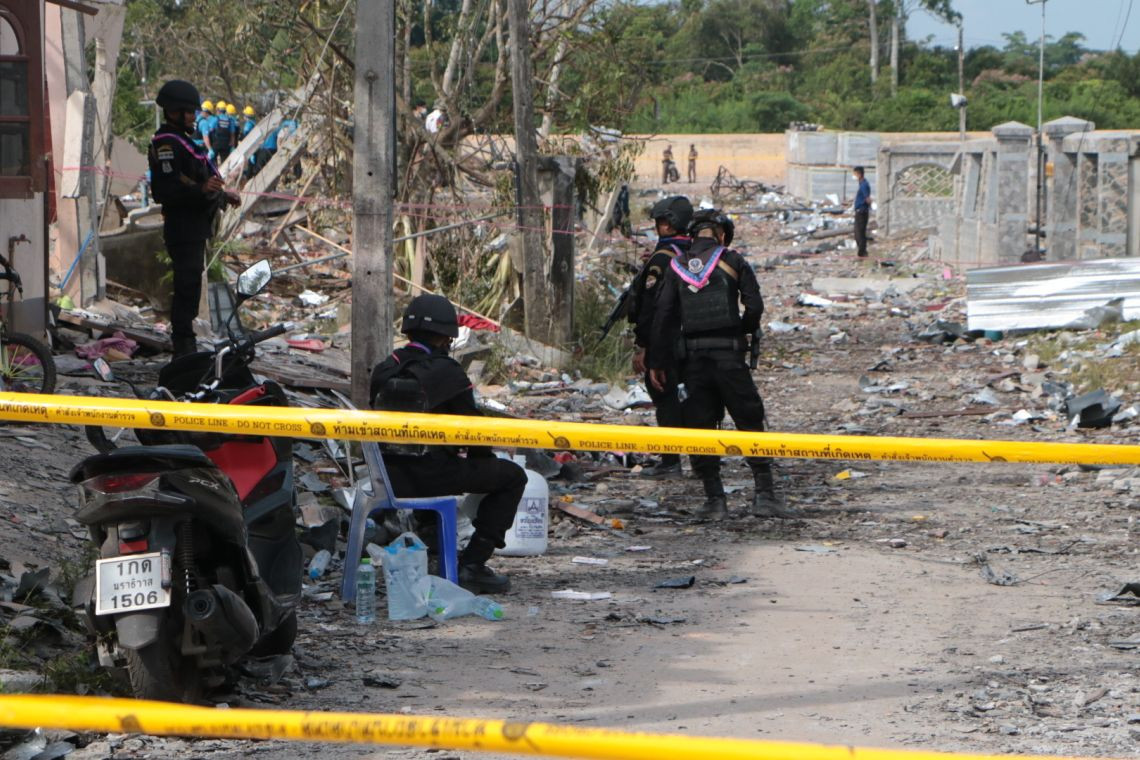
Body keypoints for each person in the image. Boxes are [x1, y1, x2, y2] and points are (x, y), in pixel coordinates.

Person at [370, 294, 526, 594]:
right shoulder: (448, 372)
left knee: (440, 470)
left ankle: (434, 547)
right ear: (446, 337)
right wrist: (483, 461)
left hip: (387, 478)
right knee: (512, 477)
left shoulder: (385, 368)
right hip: (432, 477)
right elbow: (474, 431)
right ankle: (473, 564)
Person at [648, 209, 796, 521]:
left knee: (700, 428)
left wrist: (657, 362)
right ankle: (765, 496)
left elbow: (663, 318)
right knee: (750, 422)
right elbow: (754, 307)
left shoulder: (676, 266)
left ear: (692, 235)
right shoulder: (733, 261)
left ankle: (714, 501)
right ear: (722, 234)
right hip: (730, 358)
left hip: (693, 363)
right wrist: (740, 330)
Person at [147, 80, 240, 358]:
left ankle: (186, 343)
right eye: (188, 112)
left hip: (196, 227)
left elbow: (200, 183)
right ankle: (183, 346)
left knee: (191, 285)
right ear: (173, 112)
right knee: (186, 287)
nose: (193, 117)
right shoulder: (167, 144)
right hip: (182, 227)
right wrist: (201, 189)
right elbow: (165, 191)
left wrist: (221, 195)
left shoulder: (186, 143)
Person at [626, 195, 693, 478]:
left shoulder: (662, 259)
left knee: (664, 395)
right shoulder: (696, 254)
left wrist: (644, 346)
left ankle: (670, 461)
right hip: (694, 340)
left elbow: (650, 309)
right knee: (693, 399)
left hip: (666, 340)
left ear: (668, 224)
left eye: (659, 222)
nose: (657, 227)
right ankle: (702, 461)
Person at [852, 165, 872, 258]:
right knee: (858, 232)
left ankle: (862, 252)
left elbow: (867, 198)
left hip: (862, 211)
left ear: (859, 174)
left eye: (855, 174)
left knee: (860, 232)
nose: (854, 176)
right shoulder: (861, 184)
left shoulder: (864, 185)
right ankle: (861, 251)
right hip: (860, 210)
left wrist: (868, 206)